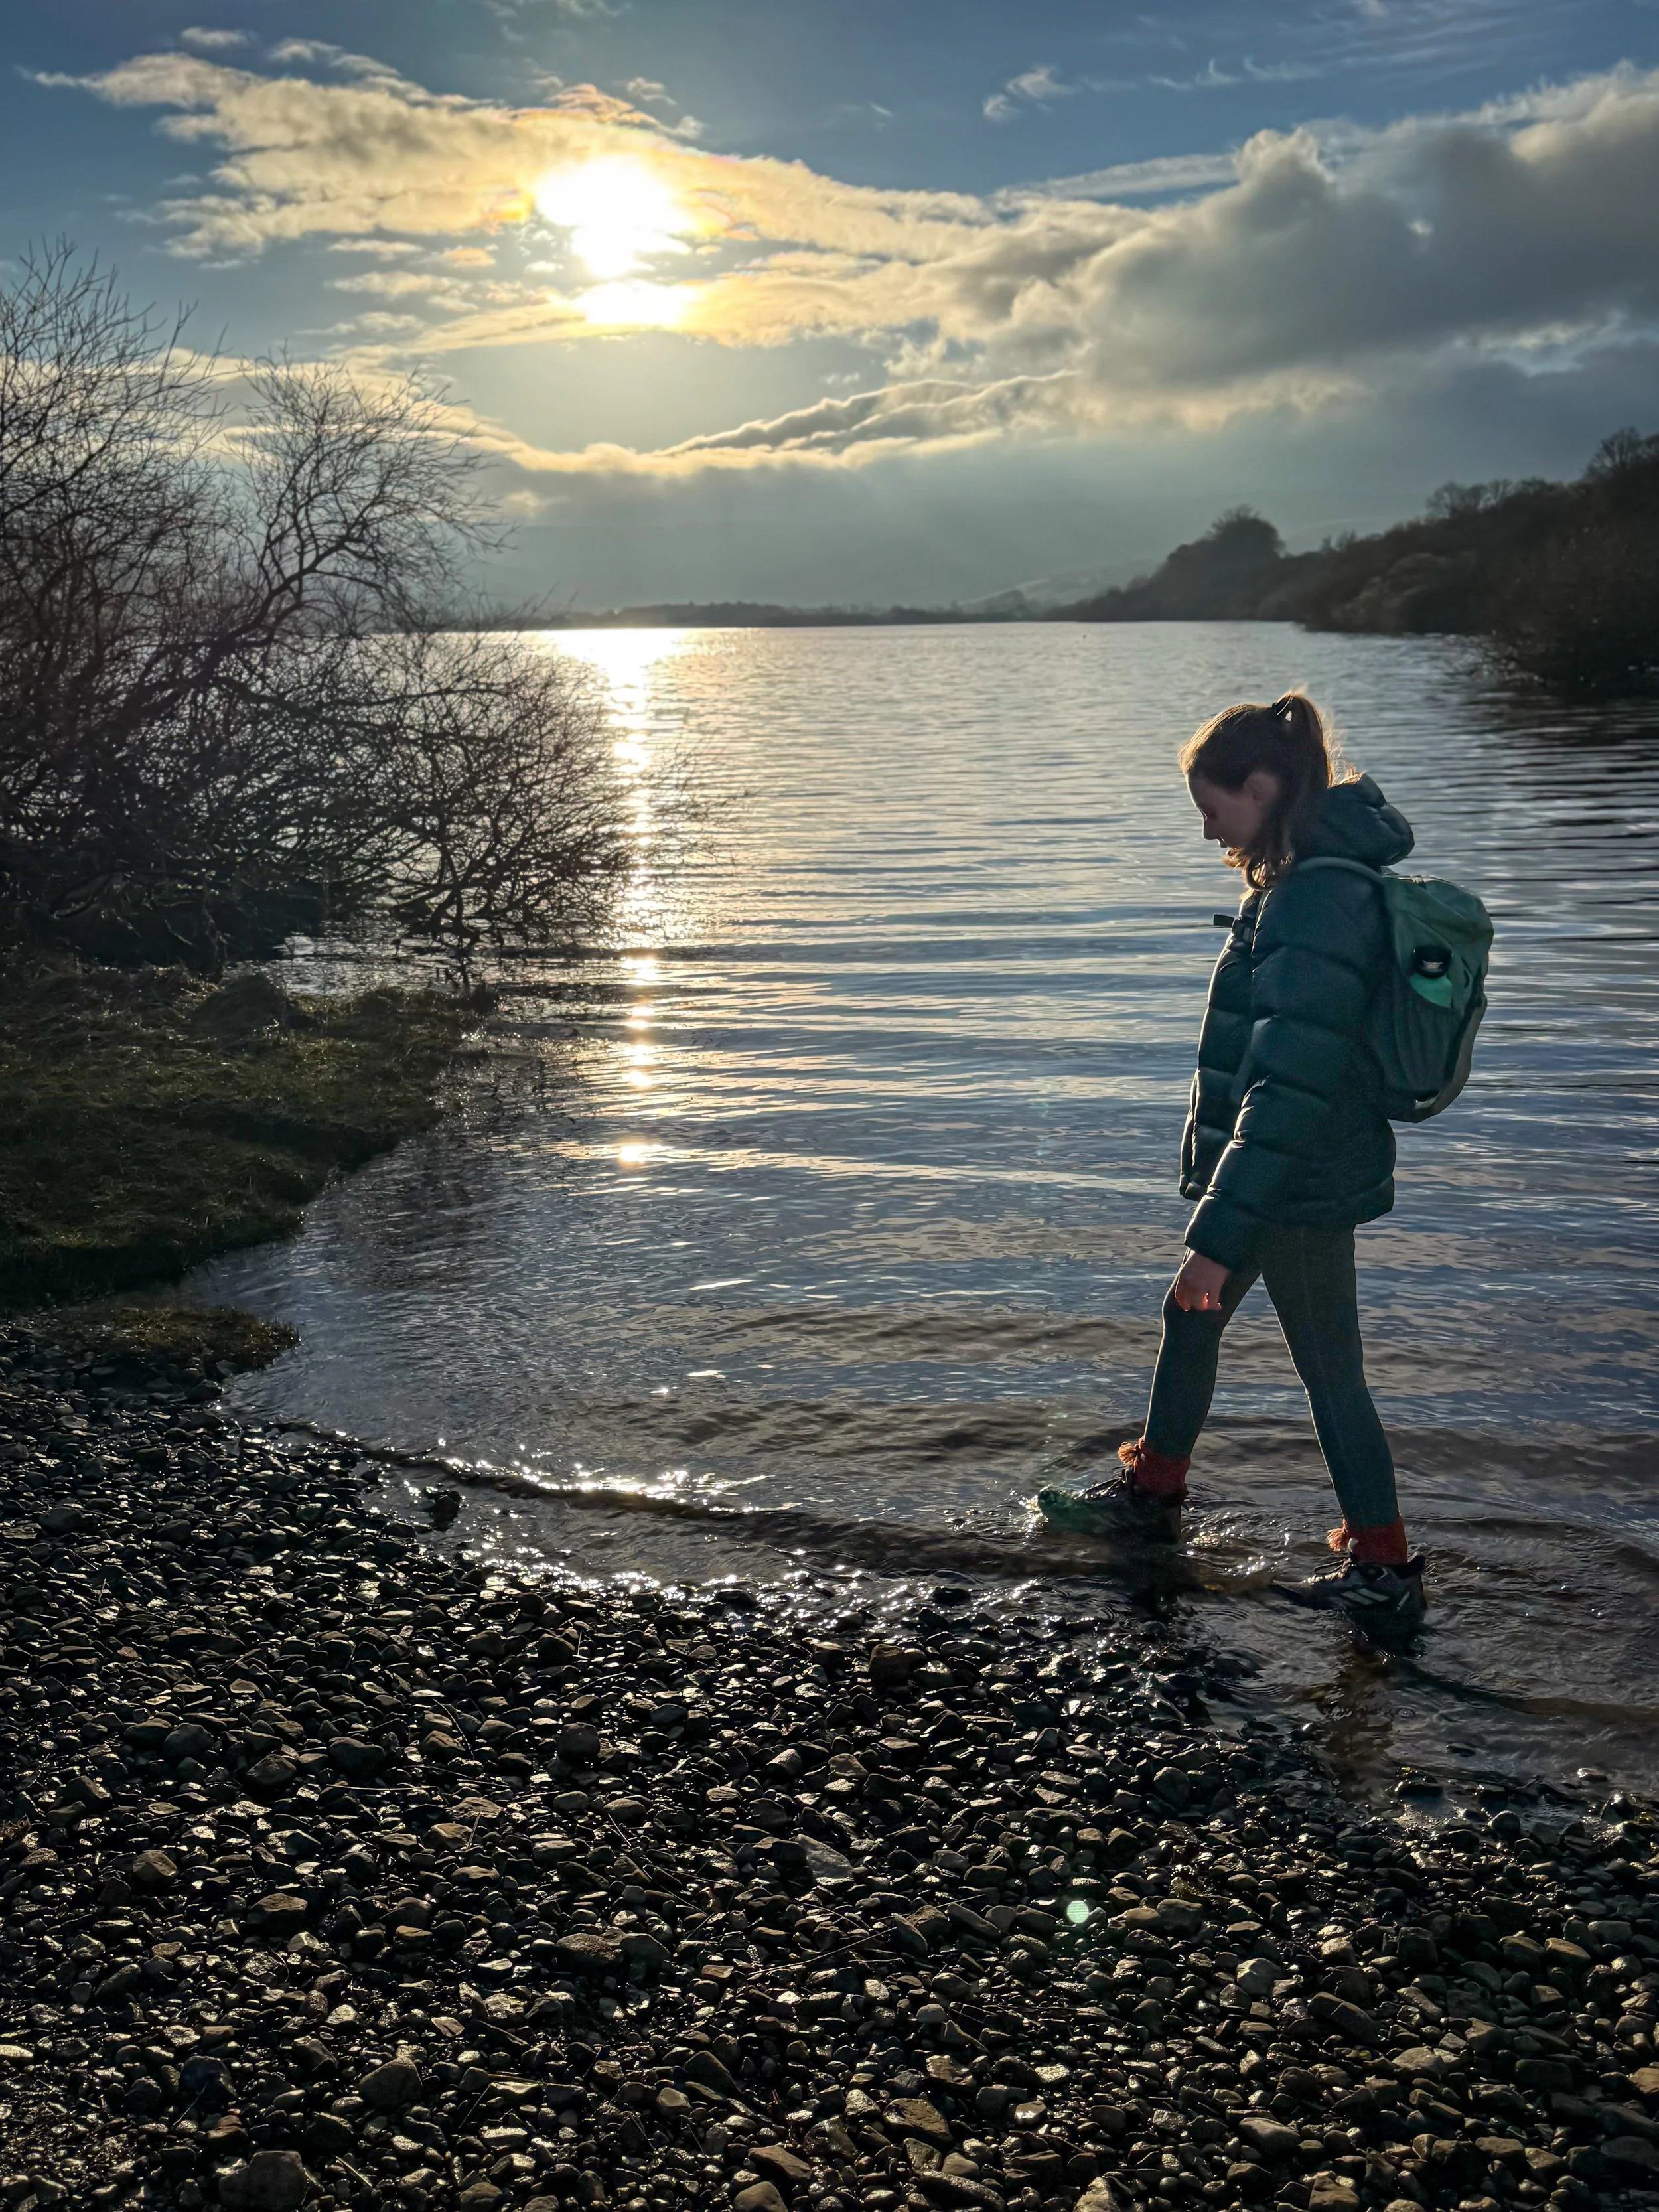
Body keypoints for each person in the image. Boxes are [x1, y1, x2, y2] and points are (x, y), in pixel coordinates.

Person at [1040, 691, 1427, 1631]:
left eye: (1215, 807)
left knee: (1329, 1369)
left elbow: (1288, 1086)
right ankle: (1154, 1497)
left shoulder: (1316, 899)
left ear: (1262, 786)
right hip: (1279, 1169)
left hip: (1294, 1180)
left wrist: (1218, 1230)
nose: (1207, 827)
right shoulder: (1302, 882)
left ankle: (1383, 1570)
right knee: (1191, 1314)